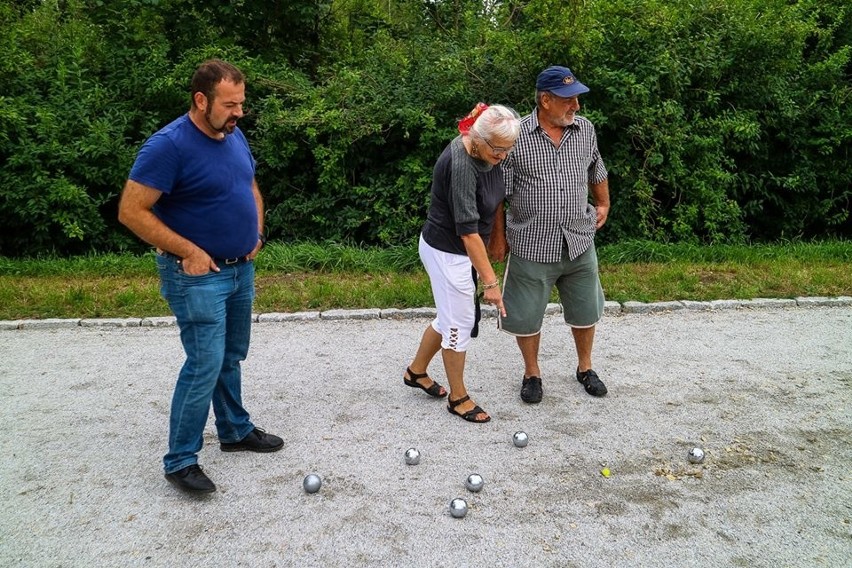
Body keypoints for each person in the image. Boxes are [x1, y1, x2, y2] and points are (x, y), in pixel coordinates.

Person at [118, 59, 283, 494]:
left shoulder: (233, 134)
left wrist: (257, 231)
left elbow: (248, 184)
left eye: (241, 104)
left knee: (230, 355)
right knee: (205, 363)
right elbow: (131, 211)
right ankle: (180, 460)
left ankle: (233, 431)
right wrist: (188, 249)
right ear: (200, 100)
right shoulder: (168, 146)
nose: (239, 113)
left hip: (239, 268)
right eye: (230, 105)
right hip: (195, 275)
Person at [489, 65, 611, 404]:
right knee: (526, 317)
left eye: (576, 100)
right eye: (569, 100)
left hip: (578, 239)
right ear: (546, 100)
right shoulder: (516, 137)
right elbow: (498, 193)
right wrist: (497, 239)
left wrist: (603, 203)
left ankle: (585, 368)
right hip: (531, 242)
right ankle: (532, 373)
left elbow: (596, 168)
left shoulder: (585, 130)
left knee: (586, 311)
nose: (576, 107)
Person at [404, 103, 520, 423]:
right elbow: (468, 233)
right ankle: (458, 398)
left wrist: (497, 237)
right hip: (448, 252)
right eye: (499, 151)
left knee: (447, 318)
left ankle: (415, 372)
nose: (503, 157)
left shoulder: (488, 148)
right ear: (477, 139)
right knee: (458, 324)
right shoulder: (462, 164)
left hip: (462, 250)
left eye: (508, 150)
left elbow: (494, 200)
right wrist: (491, 283)